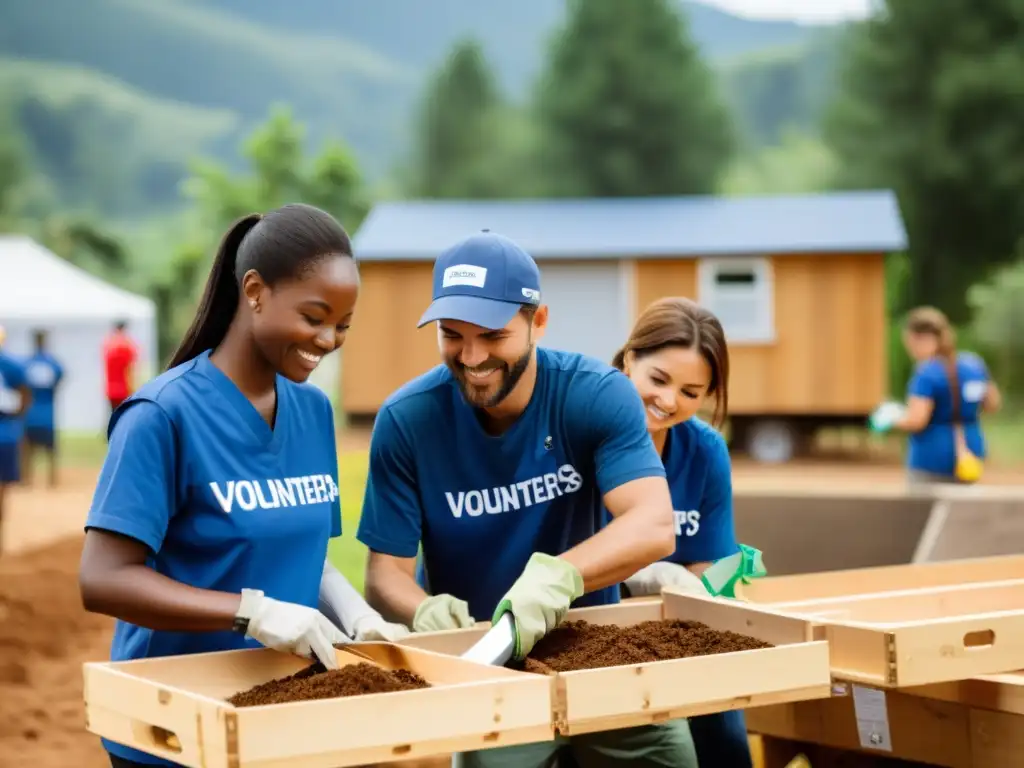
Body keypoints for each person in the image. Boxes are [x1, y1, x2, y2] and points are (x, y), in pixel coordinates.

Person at [79, 204, 409, 768]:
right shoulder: (163, 415)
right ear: (255, 291)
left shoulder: (312, 410)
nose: (329, 339)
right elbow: (103, 580)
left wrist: (356, 614)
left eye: (344, 324)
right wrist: (250, 612)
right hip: (175, 725)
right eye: (314, 316)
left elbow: (307, 555)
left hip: (281, 716)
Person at [357, 231, 696, 768]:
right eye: (452, 334)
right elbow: (383, 574)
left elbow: (653, 523)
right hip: (485, 667)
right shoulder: (407, 422)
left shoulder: (593, 394)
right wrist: (421, 609)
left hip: (599, 655)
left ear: (537, 322)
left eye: (493, 334)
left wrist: (559, 578)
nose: (471, 356)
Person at [612, 296, 753, 768]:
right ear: (630, 359)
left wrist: (698, 585)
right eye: (658, 380)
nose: (669, 401)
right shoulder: (583, 434)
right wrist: (645, 574)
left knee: (727, 742)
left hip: (680, 633)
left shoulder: (706, 451)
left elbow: (714, 565)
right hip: (597, 635)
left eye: (691, 393)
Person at [879, 306, 1001, 486]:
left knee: (923, 511)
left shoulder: (926, 373)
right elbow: (992, 404)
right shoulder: (974, 365)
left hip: (932, 458)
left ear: (916, 338)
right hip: (969, 453)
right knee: (965, 511)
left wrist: (888, 420)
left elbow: (917, 420)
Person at [0, 324, 32, 555]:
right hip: (6, 432)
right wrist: (17, 419)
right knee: (3, 491)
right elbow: (25, 395)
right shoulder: (13, 365)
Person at [21, 329, 65, 488]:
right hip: (47, 411)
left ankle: (27, 479)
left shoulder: (27, 363)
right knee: (50, 449)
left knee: (27, 448)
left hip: (31, 411)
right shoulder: (52, 363)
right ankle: (52, 481)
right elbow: (61, 377)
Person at [103, 319, 139, 415]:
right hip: (124, 387)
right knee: (123, 415)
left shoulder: (108, 344)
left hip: (111, 388)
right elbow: (130, 367)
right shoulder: (127, 345)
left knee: (112, 414)